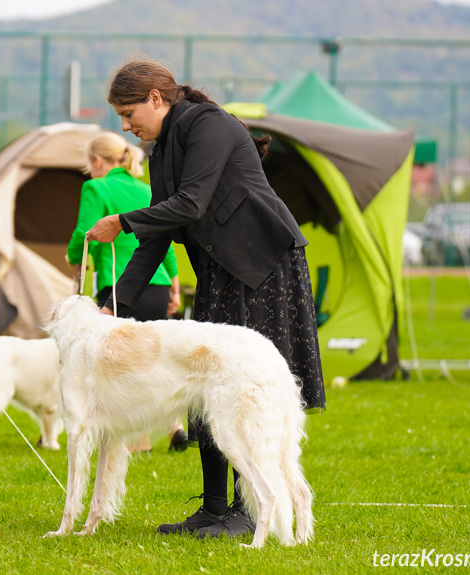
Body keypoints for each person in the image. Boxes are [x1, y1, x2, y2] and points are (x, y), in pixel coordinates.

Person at [85, 59, 326, 539]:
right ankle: (214, 508)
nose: (126, 125)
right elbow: (160, 233)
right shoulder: (159, 150)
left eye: (129, 112)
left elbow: (190, 204)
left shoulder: (208, 125)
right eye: (120, 117)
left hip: (264, 267)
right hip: (218, 271)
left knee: (241, 392)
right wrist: (114, 304)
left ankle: (245, 512)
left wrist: (123, 221)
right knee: (205, 387)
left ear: (157, 97)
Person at [66, 131, 187, 453]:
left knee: (122, 369)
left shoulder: (96, 186)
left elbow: (85, 231)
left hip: (120, 287)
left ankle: (139, 440)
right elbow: (165, 241)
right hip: (158, 283)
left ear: (96, 161)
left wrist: (73, 259)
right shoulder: (147, 188)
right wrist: (174, 286)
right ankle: (173, 423)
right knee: (153, 362)